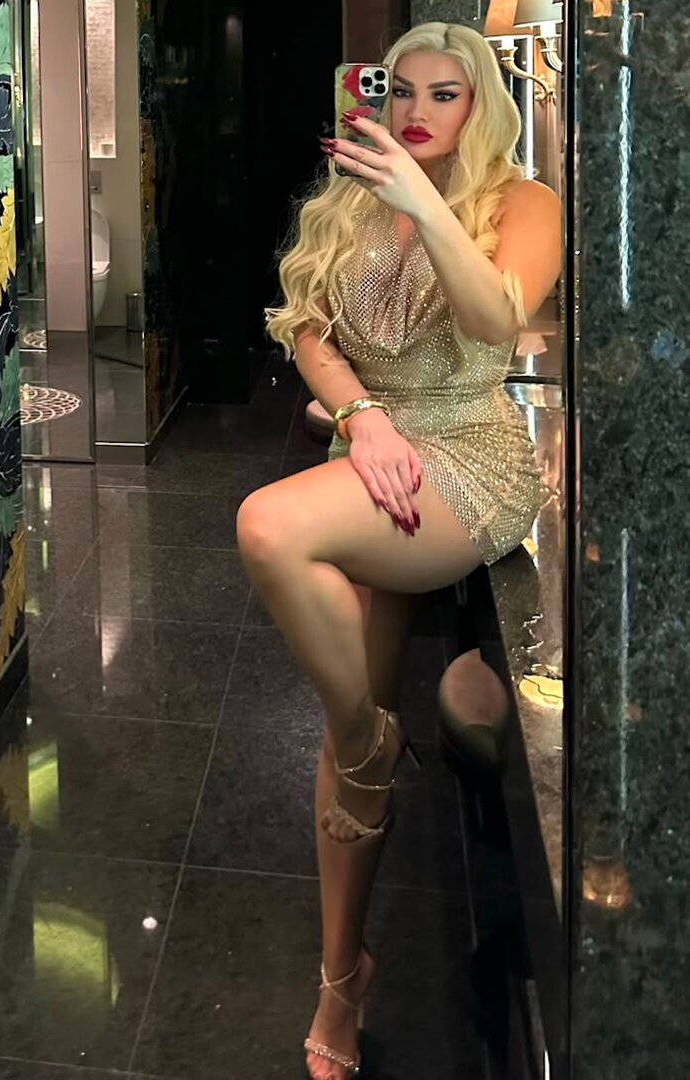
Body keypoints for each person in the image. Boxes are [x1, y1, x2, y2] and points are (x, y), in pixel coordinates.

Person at [237, 21, 562, 1080]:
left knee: (268, 524)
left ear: (483, 104)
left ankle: (371, 738)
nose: (418, 111)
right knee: (349, 739)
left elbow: (497, 319)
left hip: (468, 461)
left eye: (445, 94)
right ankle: (342, 978)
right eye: (402, 90)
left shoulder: (525, 204)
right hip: (374, 457)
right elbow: (308, 328)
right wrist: (362, 414)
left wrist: (425, 201)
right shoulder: (353, 194)